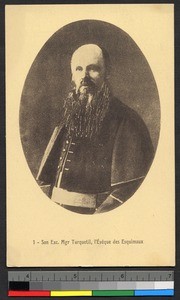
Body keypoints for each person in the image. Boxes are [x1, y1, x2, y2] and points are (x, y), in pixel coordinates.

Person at [36, 44, 154, 214]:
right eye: (78, 69)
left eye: (93, 69)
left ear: (107, 73)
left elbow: (130, 188)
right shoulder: (67, 119)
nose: (84, 77)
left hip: (97, 214)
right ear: (72, 76)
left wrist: (100, 217)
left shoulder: (127, 120)